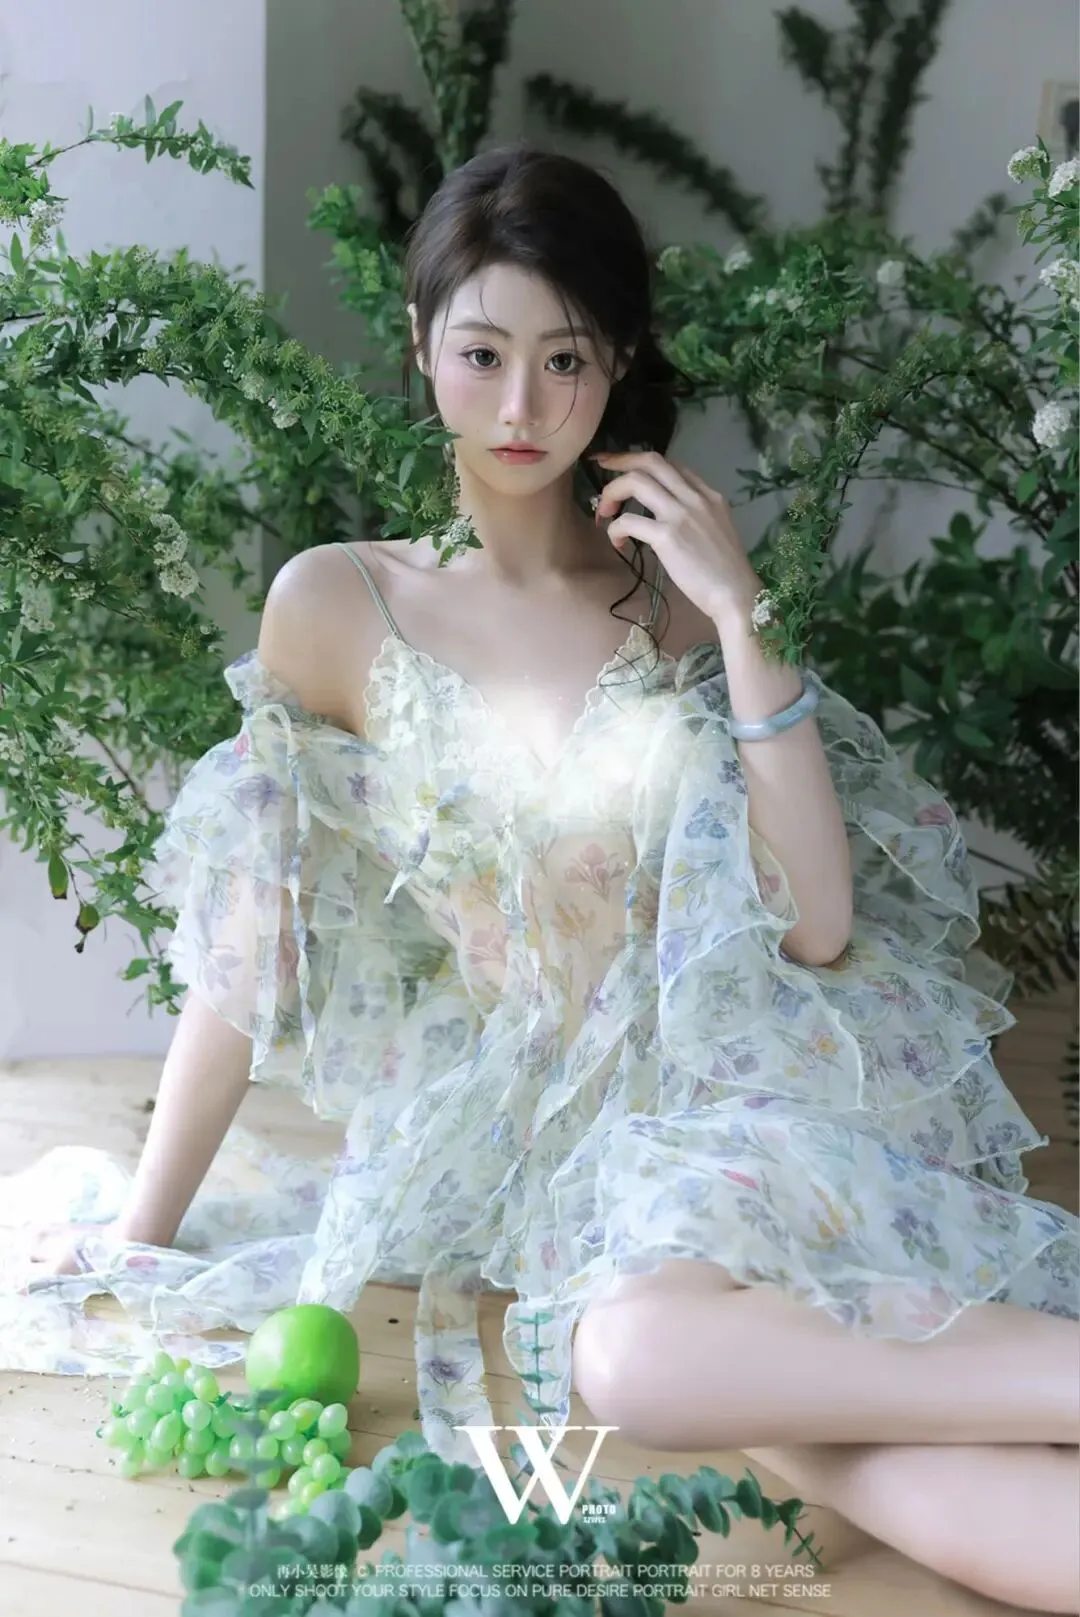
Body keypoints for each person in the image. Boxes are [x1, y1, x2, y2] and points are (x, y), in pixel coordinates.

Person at [3, 144, 1078, 1608]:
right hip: (539, 1148)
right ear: (421, 347)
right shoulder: (341, 603)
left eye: (565, 359)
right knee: (768, 1409)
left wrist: (745, 618)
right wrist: (142, 1231)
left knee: (654, 1368)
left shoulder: (677, 607)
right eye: (483, 354)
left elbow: (818, 924)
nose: (522, 407)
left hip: (738, 1080)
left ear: (617, 362)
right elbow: (249, 951)